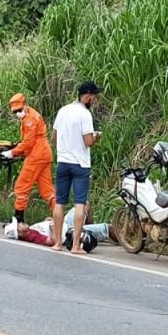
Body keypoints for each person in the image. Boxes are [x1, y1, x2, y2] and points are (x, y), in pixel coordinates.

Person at [51, 81, 102, 254]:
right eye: (94, 96)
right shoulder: (85, 114)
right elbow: (88, 141)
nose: (95, 100)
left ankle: (58, 243)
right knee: (80, 203)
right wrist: (96, 137)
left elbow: (54, 138)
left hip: (63, 162)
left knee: (59, 203)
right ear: (86, 96)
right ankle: (75, 246)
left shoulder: (63, 110)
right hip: (80, 164)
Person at [1, 93, 56, 224]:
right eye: (15, 111)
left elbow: (28, 143)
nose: (17, 113)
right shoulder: (30, 114)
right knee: (47, 191)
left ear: (25, 104)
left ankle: (18, 221)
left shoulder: (30, 119)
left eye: (19, 110)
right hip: (43, 154)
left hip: (36, 155)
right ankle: (59, 218)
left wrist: (12, 152)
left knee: (21, 187)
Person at [3, 205, 118, 246]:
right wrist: (53, 226)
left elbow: (46, 227)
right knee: (109, 228)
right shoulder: (33, 237)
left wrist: (47, 221)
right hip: (68, 231)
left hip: (64, 223)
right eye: (19, 225)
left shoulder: (31, 229)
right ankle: (123, 242)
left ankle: (89, 234)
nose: (21, 223)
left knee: (85, 204)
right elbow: (52, 241)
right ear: (20, 233)